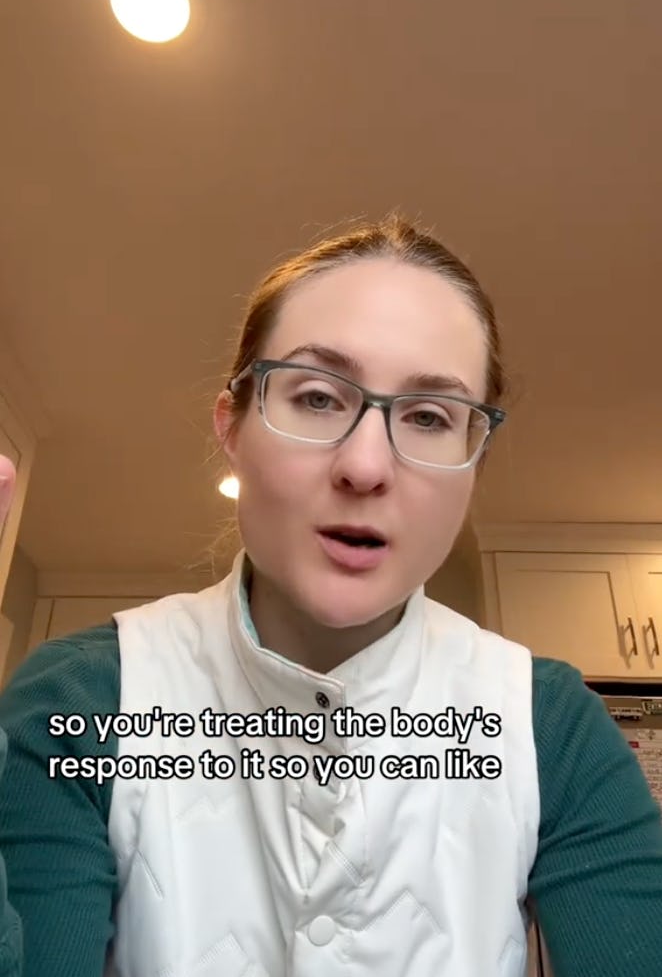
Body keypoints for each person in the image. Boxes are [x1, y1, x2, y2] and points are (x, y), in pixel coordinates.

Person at [0, 215, 660, 977]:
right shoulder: (80, 698)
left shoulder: (551, 727)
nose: (367, 465)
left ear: (474, 463)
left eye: (429, 416)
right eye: (317, 397)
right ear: (233, 428)